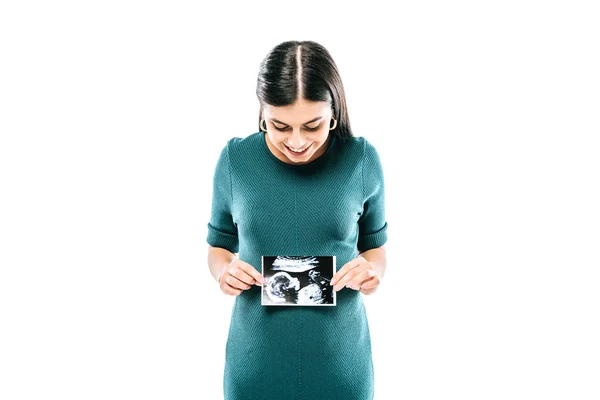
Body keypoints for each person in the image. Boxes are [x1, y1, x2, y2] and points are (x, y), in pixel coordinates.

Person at [206, 40, 388, 400]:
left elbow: (376, 250)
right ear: (261, 112)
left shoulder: (361, 160)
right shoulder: (235, 160)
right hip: (255, 365)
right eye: (280, 125)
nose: (297, 141)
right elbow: (218, 247)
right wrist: (223, 271)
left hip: (341, 366)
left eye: (312, 125)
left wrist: (371, 274)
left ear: (334, 111)